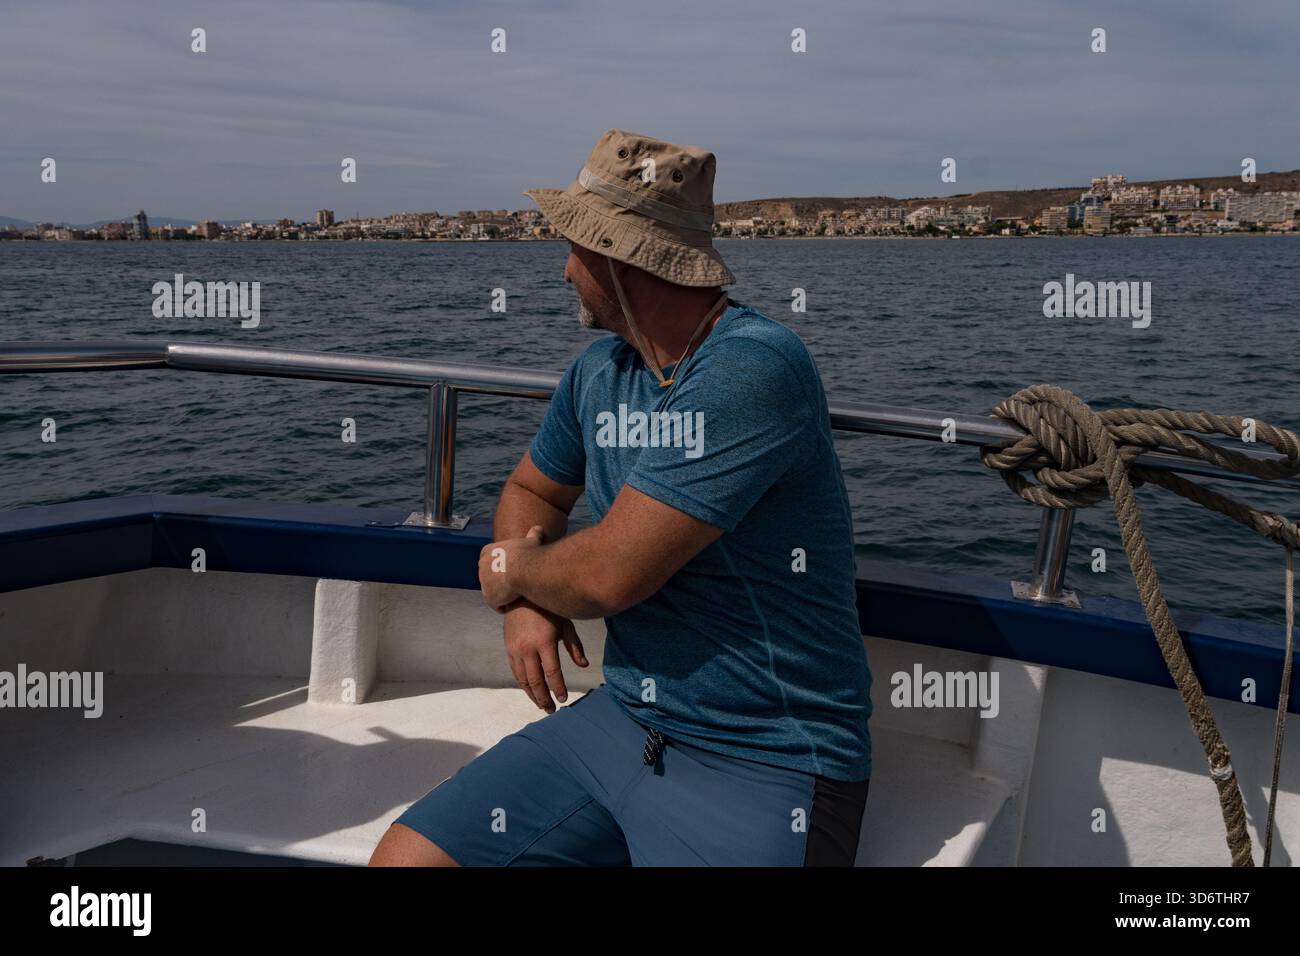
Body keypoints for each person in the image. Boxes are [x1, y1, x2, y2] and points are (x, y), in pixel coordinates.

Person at [369, 128, 873, 866]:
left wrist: (505, 570)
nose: (565, 269)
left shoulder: (754, 369)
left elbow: (610, 574)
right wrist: (526, 603)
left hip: (769, 756)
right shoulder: (602, 370)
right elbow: (530, 490)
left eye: (576, 246)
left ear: (621, 258)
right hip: (624, 721)